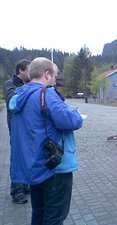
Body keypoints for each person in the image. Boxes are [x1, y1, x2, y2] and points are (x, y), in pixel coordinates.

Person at [9, 57, 83, 225]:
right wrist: (77, 114)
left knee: (39, 212)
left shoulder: (19, 95)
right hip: (53, 166)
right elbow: (71, 121)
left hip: (33, 165)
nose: (56, 78)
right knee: (55, 217)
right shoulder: (47, 94)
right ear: (47, 74)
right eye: (55, 74)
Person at [3, 59, 31, 204]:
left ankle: (25, 185)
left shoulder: (28, 84)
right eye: (29, 69)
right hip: (15, 128)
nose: (31, 72)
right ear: (21, 70)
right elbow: (11, 102)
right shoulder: (10, 84)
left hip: (28, 127)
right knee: (17, 158)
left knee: (26, 156)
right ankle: (17, 192)